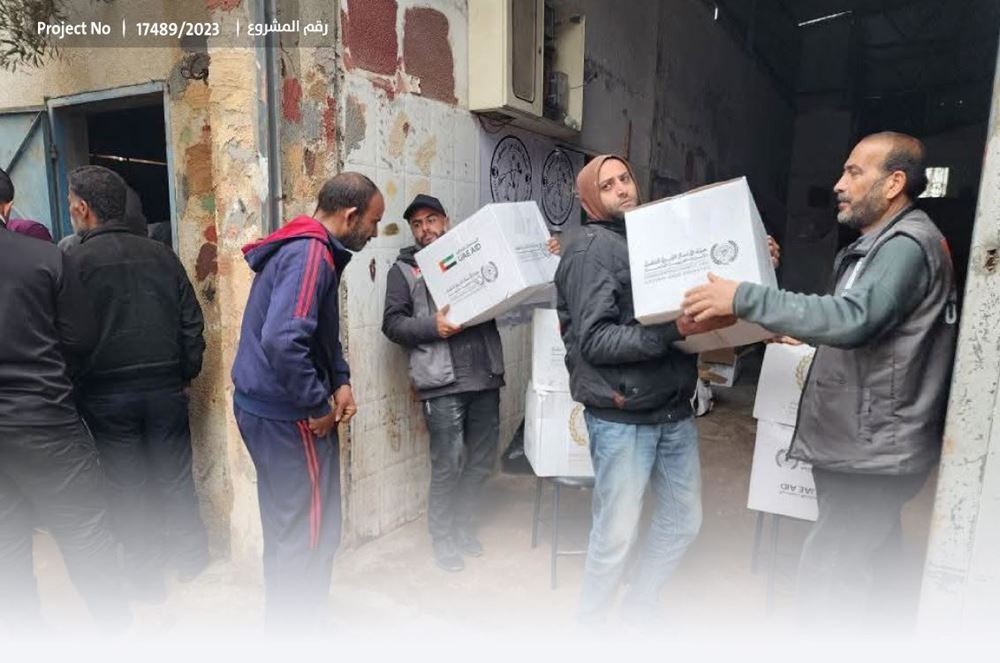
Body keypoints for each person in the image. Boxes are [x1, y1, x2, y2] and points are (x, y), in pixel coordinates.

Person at [682, 131, 958, 629]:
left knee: (828, 577)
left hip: (874, 449)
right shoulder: (878, 245)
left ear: (894, 183)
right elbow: (866, 328)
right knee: (875, 563)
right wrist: (805, 335)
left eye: (854, 172)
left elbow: (854, 319)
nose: (838, 184)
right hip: (870, 441)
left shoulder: (905, 245)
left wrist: (745, 297)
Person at [553, 155, 737, 624]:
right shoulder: (590, 251)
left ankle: (638, 607)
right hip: (623, 416)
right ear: (590, 200)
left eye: (625, 179)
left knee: (683, 520)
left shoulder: (649, 241)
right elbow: (595, 341)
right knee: (615, 537)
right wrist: (672, 331)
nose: (622, 189)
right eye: (608, 185)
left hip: (673, 410)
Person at [231, 172, 382, 627]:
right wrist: (318, 407)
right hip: (289, 417)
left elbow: (318, 330)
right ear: (350, 215)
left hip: (265, 410)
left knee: (288, 525)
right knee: (311, 531)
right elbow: (283, 340)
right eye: (373, 222)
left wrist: (341, 380)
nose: (375, 233)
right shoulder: (310, 254)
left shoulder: (306, 245)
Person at [67, 165, 209, 598]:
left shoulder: (73, 262)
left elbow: (66, 336)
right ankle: (192, 560)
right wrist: (185, 373)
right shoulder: (162, 255)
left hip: (105, 396)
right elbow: (191, 321)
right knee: (174, 476)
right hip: (166, 389)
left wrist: (76, 387)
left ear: (83, 208)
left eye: (72, 205)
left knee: (126, 487)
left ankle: (147, 579)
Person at [0, 167, 128, 630]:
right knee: (84, 529)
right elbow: (80, 338)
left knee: (6, 541)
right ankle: (118, 632)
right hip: (44, 422)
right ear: (6, 206)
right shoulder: (44, 258)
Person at [381, 194, 505, 572]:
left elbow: (507, 278)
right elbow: (392, 324)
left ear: (446, 221)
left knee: (481, 461)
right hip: (442, 382)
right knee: (448, 464)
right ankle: (443, 537)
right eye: (417, 224)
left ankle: (464, 528)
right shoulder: (404, 270)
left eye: (431, 220)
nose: (425, 229)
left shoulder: (472, 256)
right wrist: (431, 326)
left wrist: (544, 252)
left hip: (483, 375)